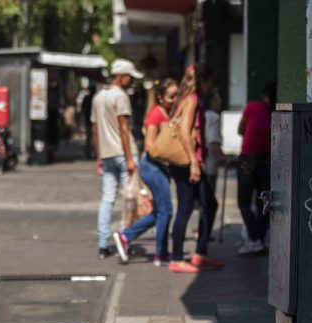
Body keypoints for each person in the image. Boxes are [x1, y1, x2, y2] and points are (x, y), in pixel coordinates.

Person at [113, 78, 178, 266]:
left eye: (176, 96)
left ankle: (125, 236)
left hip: (159, 167)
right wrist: (169, 156)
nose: (174, 100)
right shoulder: (156, 115)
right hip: (152, 167)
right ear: (160, 97)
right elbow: (150, 146)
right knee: (165, 211)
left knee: (160, 211)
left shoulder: (165, 113)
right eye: (171, 96)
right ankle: (160, 254)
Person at [168, 64, 223, 273]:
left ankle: (200, 253)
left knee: (210, 204)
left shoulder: (190, 98)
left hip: (190, 162)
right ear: (204, 81)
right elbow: (183, 131)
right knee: (185, 208)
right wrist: (193, 162)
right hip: (186, 163)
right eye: (211, 82)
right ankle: (176, 258)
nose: (212, 87)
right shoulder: (191, 99)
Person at [91, 58, 143, 259]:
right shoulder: (120, 96)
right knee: (128, 200)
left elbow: (95, 129)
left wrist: (99, 156)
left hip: (106, 154)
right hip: (123, 153)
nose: (130, 81)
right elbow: (124, 128)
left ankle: (103, 244)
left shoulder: (98, 97)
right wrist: (130, 158)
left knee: (107, 198)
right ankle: (124, 239)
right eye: (129, 77)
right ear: (122, 77)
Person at [236, 83, 275, 255]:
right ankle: (260, 237)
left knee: (244, 201)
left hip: (248, 158)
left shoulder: (252, 107)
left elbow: (240, 130)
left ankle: (254, 239)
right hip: (266, 158)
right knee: (263, 201)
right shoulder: (276, 112)